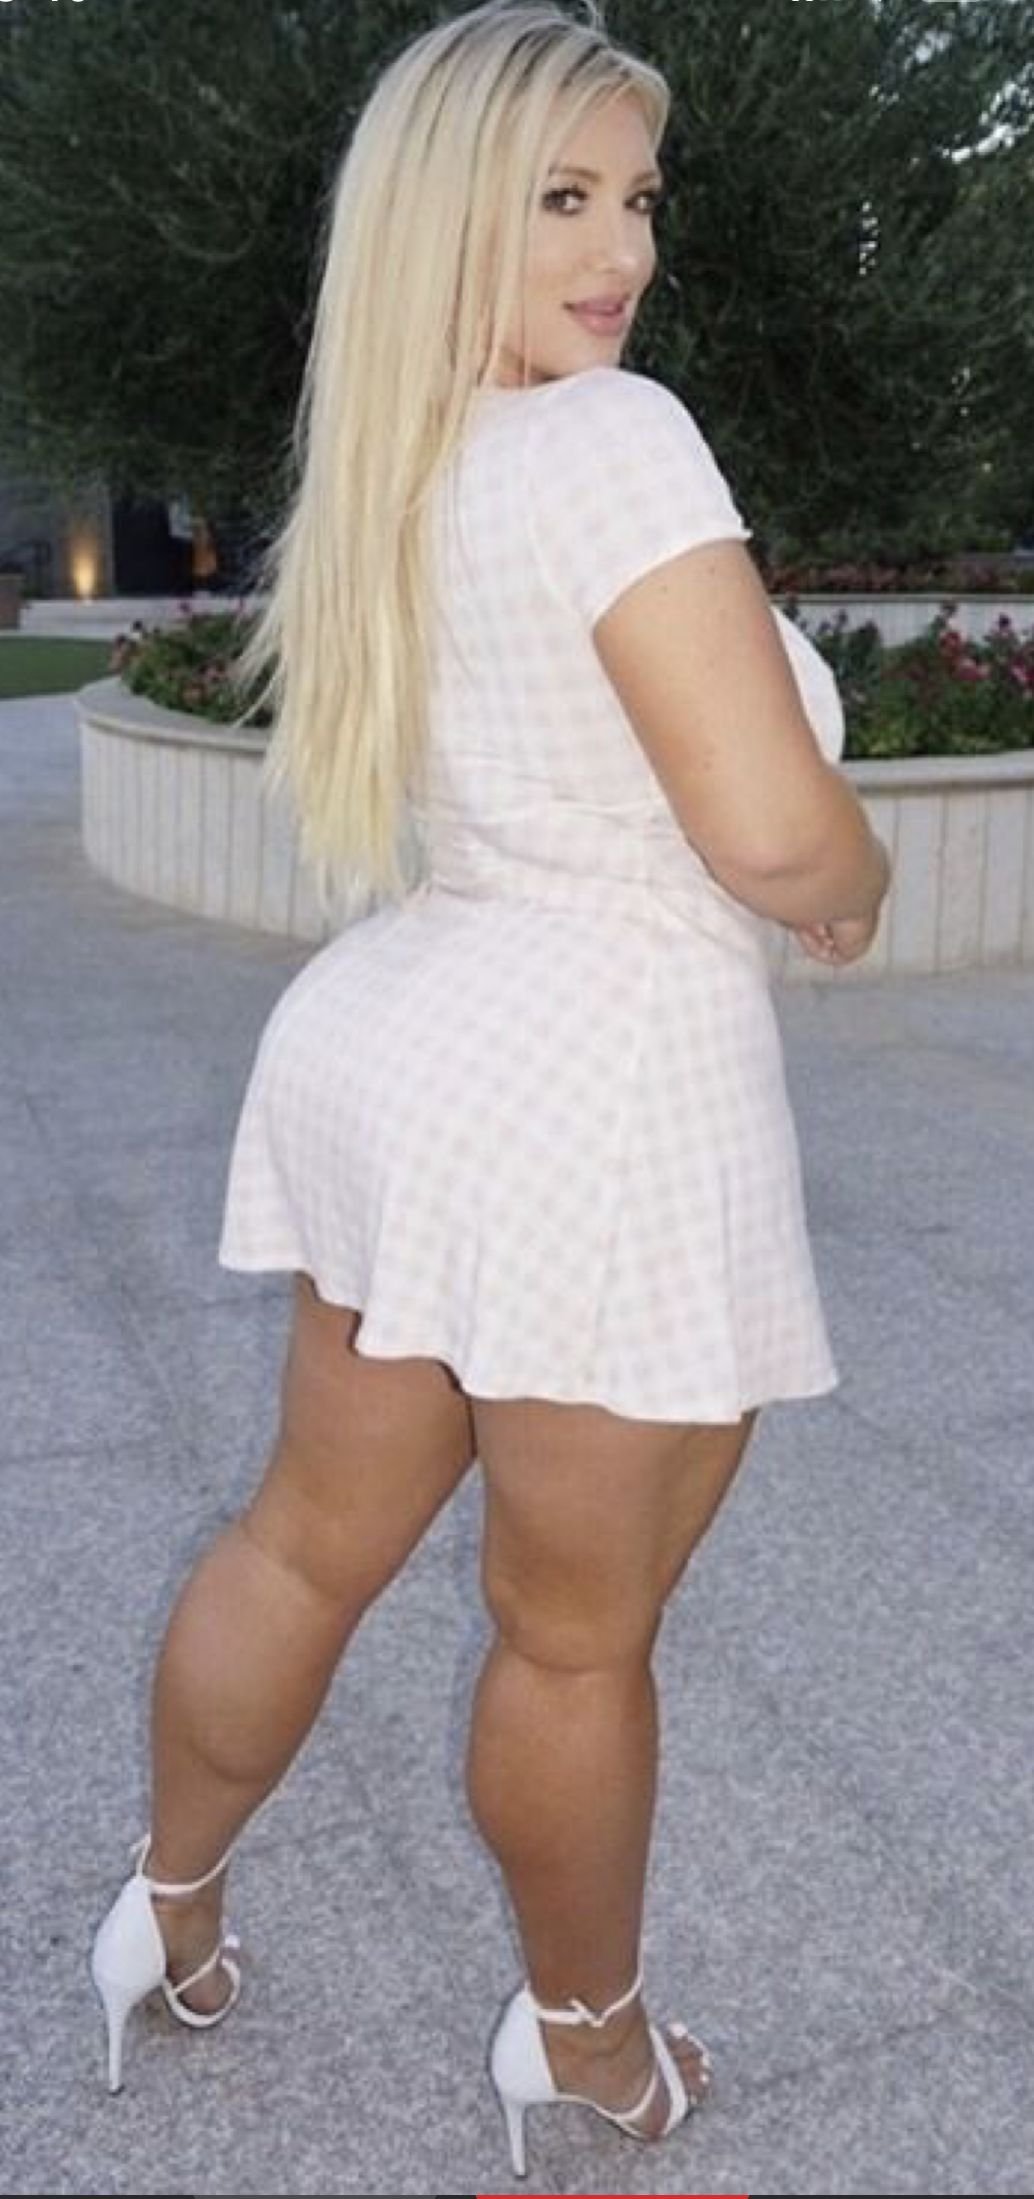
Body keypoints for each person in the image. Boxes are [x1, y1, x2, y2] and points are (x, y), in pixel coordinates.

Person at [89, 0, 891, 2179]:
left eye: (636, 197)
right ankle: (590, 2048)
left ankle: (162, 1914)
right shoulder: (610, 439)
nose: (619, 250)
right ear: (444, 216)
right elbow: (768, 829)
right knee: (570, 1641)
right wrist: (852, 881)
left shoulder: (404, 458)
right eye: (559, 197)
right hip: (597, 1094)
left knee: (300, 1539)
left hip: (410, 1033)